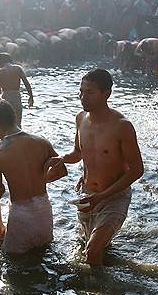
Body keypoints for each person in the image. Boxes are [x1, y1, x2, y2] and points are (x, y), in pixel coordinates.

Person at [45, 69, 144, 265]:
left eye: (89, 92)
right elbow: (77, 153)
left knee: (92, 251)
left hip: (114, 196)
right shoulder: (81, 118)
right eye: (81, 91)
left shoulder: (122, 126)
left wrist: (101, 197)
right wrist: (61, 159)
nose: (82, 97)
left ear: (106, 93)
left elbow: (137, 170)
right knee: (88, 245)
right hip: (87, 195)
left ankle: (97, 292)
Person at [0, 98, 66, 254]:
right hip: (44, 211)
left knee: (14, 263)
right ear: (14, 116)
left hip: (20, 215)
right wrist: (42, 178)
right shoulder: (41, 142)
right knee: (43, 255)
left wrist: (0, 227)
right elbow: (62, 171)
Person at [0, 52, 34, 128]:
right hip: (16, 96)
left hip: (6, 97)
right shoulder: (18, 68)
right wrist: (31, 96)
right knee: (18, 123)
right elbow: (26, 83)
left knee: (6, 123)